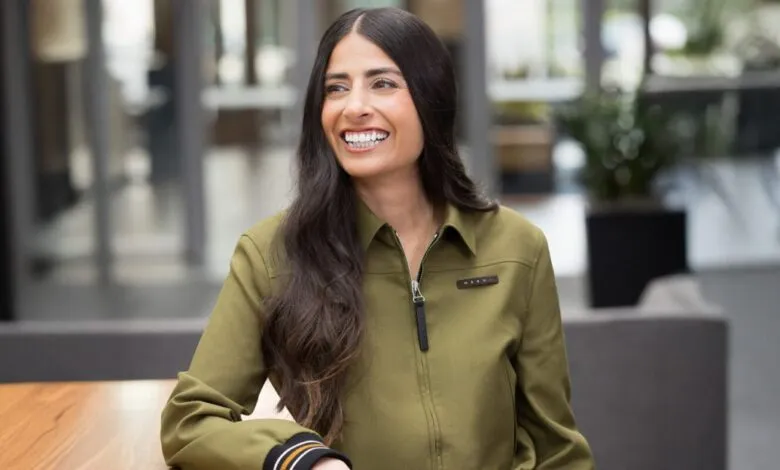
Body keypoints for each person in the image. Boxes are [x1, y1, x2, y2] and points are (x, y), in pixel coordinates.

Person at [160, 7, 594, 470]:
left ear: (430, 98)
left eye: (382, 83)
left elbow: (557, 449)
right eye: (336, 88)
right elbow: (190, 421)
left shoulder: (516, 248)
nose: (354, 106)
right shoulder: (272, 255)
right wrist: (302, 460)